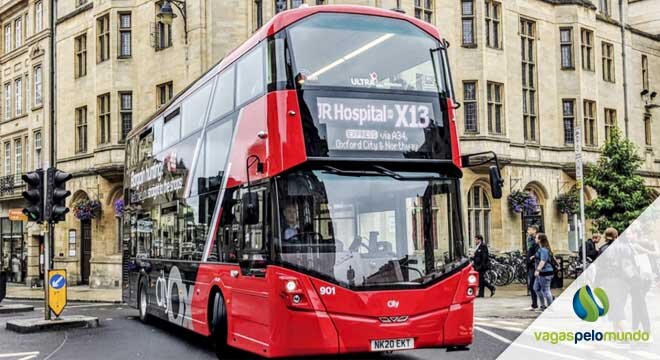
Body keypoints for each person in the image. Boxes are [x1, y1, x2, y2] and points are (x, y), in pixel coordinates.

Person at [533, 233, 555, 311]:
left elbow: (543, 261)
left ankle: (550, 307)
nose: (535, 239)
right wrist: (534, 256)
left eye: (536, 238)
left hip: (545, 273)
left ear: (540, 240)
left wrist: (537, 270)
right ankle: (542, 305)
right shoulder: (541, 249)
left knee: (546, 290)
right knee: (536, 288)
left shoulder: (543, 249)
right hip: (542, 273)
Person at [525, 225, 539, 310]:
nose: (527, 231)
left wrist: (533, 257)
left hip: (535, 265)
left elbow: (541, 250)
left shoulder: (538, 239)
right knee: (533, 285)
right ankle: (534, 304)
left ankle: (551, 299)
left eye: (529, 229)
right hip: (530, 264)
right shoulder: (529, 239)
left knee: (536, 286)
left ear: (534, 230)